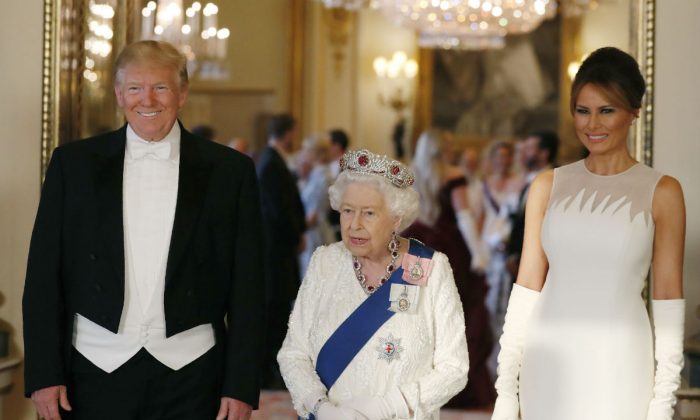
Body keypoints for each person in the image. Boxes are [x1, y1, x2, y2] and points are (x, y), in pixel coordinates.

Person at [23, 40, 264, 420]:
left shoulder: (230, 172)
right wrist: (43, 373)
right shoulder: (73, 166)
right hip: (92, 369)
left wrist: (241, 385)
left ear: (182, 94)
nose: (147, 99)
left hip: (193, 371)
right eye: (135, 88)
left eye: (161, 87)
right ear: (119, 94)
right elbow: (42, 278)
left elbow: (249, 287)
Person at [492, 47, 686, 420]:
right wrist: (506, 388)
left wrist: (663, 400)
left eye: (606, 110)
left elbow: (667, 299)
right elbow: (528, 287)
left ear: (634, 112)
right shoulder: (548, 185)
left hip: (620, 363)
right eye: (583, 111)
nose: (592, 124)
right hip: (547, 361)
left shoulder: (663, 192)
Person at [277, 149, 469, 420]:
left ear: (396, 219)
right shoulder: (325, 262)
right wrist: (321, 408)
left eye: (368, 213)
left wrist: (388, 407)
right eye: (347, 211)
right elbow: (293, 353)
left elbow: (454, 368)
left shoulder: (430, 267)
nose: (354, 225)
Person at [403, 129, 494, 409]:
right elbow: (464, 217)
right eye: (450, 144)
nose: (453, 148)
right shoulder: (453, 175)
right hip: (449, 250)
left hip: (415, 247)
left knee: (416, 313)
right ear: (441, 148)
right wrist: (479, 253)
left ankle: (414, 384)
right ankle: (455, 387)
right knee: (456, 314)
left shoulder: (409, 174)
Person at [256, 113, 307, 389]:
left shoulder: (273, 161)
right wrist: (296, 233)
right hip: (274, 252)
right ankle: (267, 371)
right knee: (273, 309)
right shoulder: (270, 164)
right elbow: (277, 210)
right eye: (294, 132)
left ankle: (271, 368)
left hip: (279, 250)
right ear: (287, 133)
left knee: (278, 308)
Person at [505, 130, 559, 278]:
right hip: (520, 261)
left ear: (544, 153)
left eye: (529, 148)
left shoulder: (556, 181)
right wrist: (513, 254)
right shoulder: (528, 181)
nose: (523, 152)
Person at [296, 136, 334, 278]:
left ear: (315, 153)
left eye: (306, 150)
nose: (303, 154)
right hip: (310, 229)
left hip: (315, 230)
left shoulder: (324, 176)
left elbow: (315, 212)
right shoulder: (314, 174)